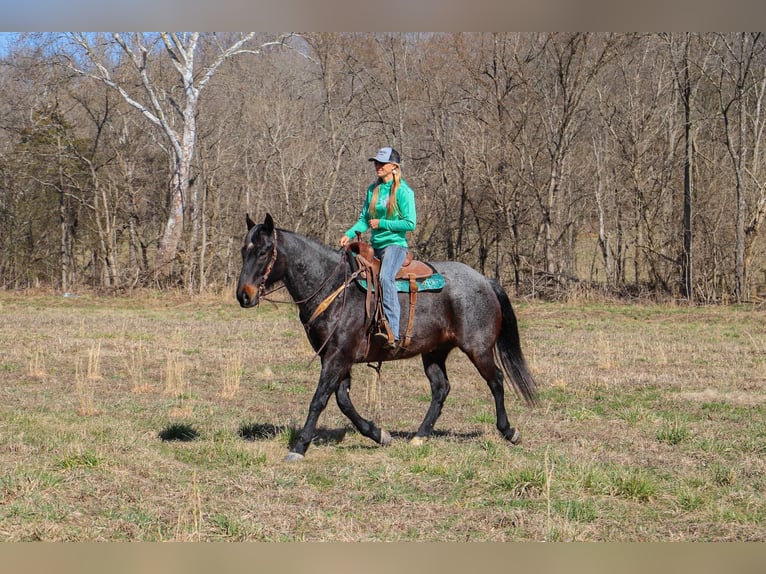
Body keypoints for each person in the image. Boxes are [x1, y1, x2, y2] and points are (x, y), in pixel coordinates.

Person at [340, 146, 417, 349]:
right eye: (376, 163)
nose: (378, 166)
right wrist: (348, 234)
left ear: (394, 167)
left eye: (382, 163)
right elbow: (364, 220)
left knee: (385, 277)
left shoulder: (403, 191)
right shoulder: (373, 189)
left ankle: (393, 329)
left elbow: (410, 223)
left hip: (395, 246)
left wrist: (382, 224)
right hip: (375, 246)